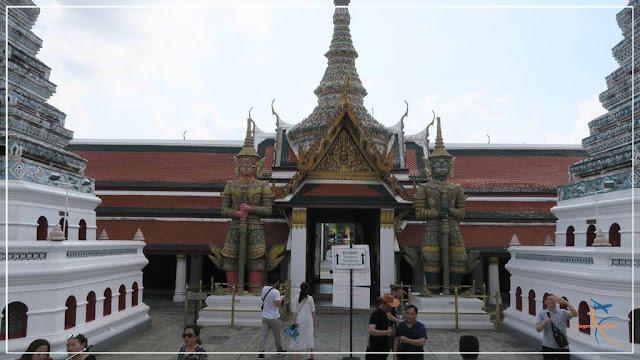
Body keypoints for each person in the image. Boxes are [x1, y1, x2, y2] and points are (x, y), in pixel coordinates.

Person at [219, 114, 274, 293]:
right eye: (243, 162)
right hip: (235, 226)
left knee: (256, 258)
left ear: (257, 165)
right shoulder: (230, 185)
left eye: (250, 162)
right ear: (238, 164)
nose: (246, 165)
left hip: (255, 226)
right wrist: (236, 214)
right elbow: (223, 209)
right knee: (230, 257)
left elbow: (268, 209)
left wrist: (251, 209)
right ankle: (233, 289)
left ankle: (254, 289)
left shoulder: (262, 186)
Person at [415, 117, 468, 292]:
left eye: (444, 162)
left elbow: (462, 214)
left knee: (458, 256)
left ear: (450, 164)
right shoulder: (425, 188)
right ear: (429, 164)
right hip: (432, 227)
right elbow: (419, 213)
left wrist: (450, 211)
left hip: (452, 226)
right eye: (437, 162)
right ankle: (433, 288)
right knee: (431, 257)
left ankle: (454, 289)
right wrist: (437, 214)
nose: (441, 165)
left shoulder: (456, 188)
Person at [536, 293, 577, 359]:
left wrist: (566, 303)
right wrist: (544, 322)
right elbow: (538, 329)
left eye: (554, 299)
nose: (553, 300)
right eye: (550, 299)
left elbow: (575, 314)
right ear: (545, 301)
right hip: (548, 346)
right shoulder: (542, 314)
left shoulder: (563, 312)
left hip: (562, 346)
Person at [258, 273, 287, 359]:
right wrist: (282, 298)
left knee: (264, 335)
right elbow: (277, 304)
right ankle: (279, 350)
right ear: (277, 282)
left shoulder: (264, 289)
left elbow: (262, 298)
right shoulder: (276, 292)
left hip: (265, 316)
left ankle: (261, 352)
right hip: (274, 316)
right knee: (277, 335)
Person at [366, 293, 399, 360]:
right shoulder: (376, 314)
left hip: (383, 348)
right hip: (375, 349)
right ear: (384, 304)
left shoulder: (384, 313)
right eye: (389, 307)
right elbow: (371, 330)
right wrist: (386, 332)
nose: (390, 309)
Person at [290, 282, 318, 360]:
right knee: (309, 336)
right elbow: (313, 311)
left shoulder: (296, 298)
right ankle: (312, 355)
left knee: (296, 337)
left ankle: (294, 357)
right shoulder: (310, 298)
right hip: (308, 320)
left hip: (299, 319)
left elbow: (295, 311)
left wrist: (293, 320)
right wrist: (315, 321)